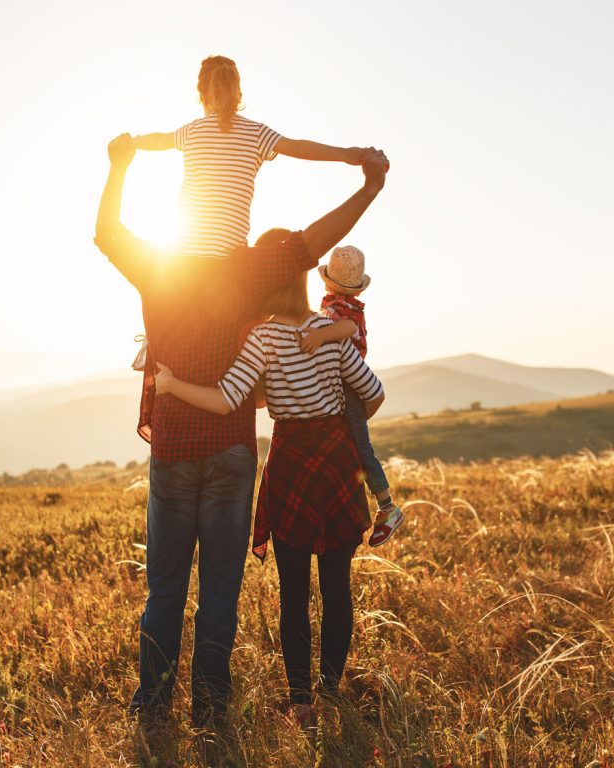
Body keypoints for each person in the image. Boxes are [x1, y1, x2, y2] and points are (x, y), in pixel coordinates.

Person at [94, 131, 388, 728]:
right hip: (230, 451)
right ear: (236, 198)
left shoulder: (158, 266)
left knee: (166, 589)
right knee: (221, 590)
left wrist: (119, 167)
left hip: (173, 448)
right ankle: (209, 708)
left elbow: (107, 232)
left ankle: (151, 707)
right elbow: (314, 243)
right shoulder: (251, 268)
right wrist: (369, 185)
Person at [154, 265, 385, 722]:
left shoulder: (262, 337)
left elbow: (226, 399)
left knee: (294, 591)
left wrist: (169, 384)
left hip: (291, 464)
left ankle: (301, 702)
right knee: (338, 588)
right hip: (337, 462)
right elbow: (374, 392)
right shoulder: (329, 330)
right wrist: (340, 418)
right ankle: (331, 690)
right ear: (303, 282)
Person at [132, 55, 373, 259]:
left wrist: (132, 142)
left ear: (202, 94)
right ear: (238, 92)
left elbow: (159, 139)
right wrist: (346, 154)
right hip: (229, 257)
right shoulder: (257, 133)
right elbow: (298, 147)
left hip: (182, 253)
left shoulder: (192, 130)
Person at [298, 245, 404, 546]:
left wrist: (319, 335)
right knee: (348, 445)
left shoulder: (343, 310)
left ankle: (387, 507)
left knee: (360, 447)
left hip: (349, 385)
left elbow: (345, 329)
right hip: (343, 384)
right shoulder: (342, 303)